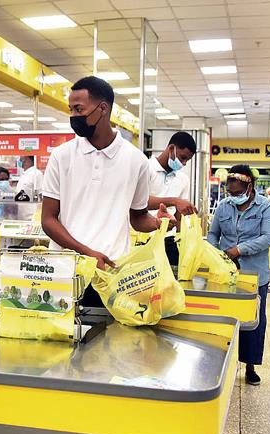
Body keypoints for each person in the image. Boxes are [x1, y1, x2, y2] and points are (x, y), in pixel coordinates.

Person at [41, 76, 174, 316]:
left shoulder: (136, 161)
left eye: (79, 109)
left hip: (112, 276)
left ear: (103, 108)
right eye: (70, 109)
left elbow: (137, 217)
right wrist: (86, 252)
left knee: (106, 347)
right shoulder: (62, 156)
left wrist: (157, 223)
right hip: (65, 272)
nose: (73, 116)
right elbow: (48, 219)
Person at [207, 165, 270, 386]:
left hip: (254, 274)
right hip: (226, 272)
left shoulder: (266, 207)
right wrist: (211, 253)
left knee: (253, 320)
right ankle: (222, 363)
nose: (233, 197)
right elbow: (213, 233)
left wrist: (240, 249)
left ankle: (250, 365)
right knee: (225, 318)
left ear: (249, 187)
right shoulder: (224, 207)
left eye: (237, 193)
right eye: (230, 192)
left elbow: (269, 237)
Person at [147, 131, 198, 265]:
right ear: (171, 149)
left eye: (187, 160)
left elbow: (179, 215)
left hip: (168, 241)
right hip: (144, 239)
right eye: (182, 157)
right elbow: (138, 202)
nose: (184, 163)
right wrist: (174, 201)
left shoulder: (183, 180)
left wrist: (181, 240)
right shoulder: (145, 169)